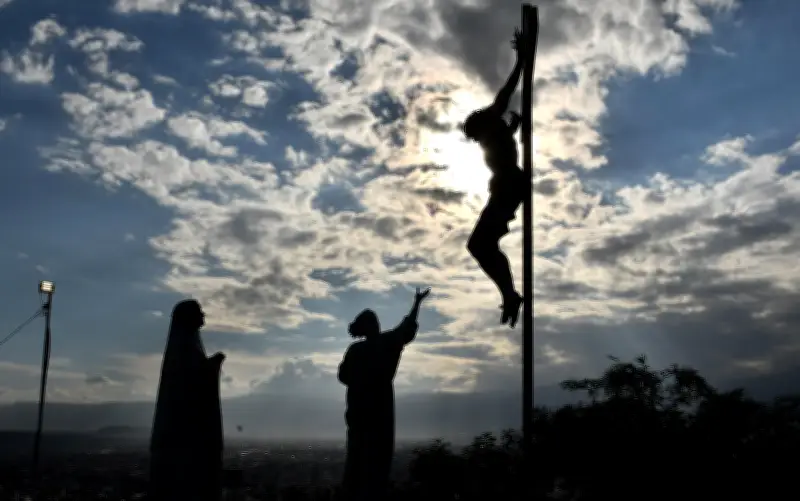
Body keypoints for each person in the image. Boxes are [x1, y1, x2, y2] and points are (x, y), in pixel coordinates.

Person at [462, 28, 530, 328]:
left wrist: (521, 59)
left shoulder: (492, 118)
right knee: (481, 245)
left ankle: (509, 294)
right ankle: (509, 293)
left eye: (476, 136)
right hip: (504, 187)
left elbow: (508, 88)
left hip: (509, 186)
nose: (477, 142)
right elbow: (503, 148)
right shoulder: (496, 135)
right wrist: (512, 131)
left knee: (479, 245)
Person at [338, 287, 432, 501]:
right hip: (375, 414)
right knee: (372, 468)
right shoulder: (383, 344)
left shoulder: (358, 350)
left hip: (362, 415)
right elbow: (406, 329)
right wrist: (417, 304)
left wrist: (417, 303)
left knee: (359, 467)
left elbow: (343, 376)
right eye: (373, 321)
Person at [149, 299, 226, 501]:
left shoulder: (188, 344)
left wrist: (211, 365)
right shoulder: (185, 347)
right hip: (186, 429)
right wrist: (213, 365)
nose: (203, 316)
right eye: (199, 313)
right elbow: (191, 383)